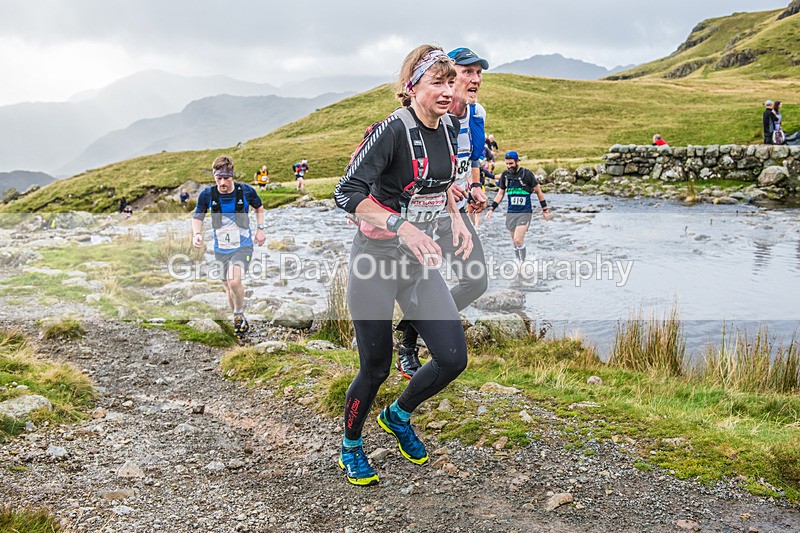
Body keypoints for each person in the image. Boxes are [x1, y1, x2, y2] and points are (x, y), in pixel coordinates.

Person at [333, 44, 473, 486]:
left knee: (452, 359)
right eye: (438, 82)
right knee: (375, 367)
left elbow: (439, 184)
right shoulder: (392, 130)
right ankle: (350, 446)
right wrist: (402, 226)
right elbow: (345, 193)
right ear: (412, 86)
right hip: (375, 263)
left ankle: (398, 415)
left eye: (451, 82)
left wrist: (458, 220)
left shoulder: (450, 126)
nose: (448, 90)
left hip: (417, 267)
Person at [394, 46, 490, 380]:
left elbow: (473, 158)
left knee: (475, 280)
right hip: (424, 216)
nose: (475, 79)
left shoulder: (477, 114)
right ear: (447, 78)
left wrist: (475, 186)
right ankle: (407, 345)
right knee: (422, 281)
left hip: (457, 214)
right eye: (468, 72)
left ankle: (413, 325)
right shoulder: (435, 115)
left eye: (479, 73)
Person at [192, 155, 266, 341]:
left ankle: (239, 314)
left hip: (243, 246)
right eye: (219, 178)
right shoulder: (207, 195)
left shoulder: (246, 191)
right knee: (227, 287)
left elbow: (259, 208)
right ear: (215, 177)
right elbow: (198, 216)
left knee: (234, 282)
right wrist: (197, 233)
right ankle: (237, 316)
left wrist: (260, 229)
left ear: (232, 175)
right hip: (221, 248)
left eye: (226, 178)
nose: (223, 182)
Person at [486, 151, 551, 262]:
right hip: (511, 213)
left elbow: (538, 191)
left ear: (517, 161)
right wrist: (491, 208)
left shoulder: (527, 174)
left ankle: (523, 263)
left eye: (511, 163)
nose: (509, 166)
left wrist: (545, 210)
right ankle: (518, 262)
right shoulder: (505, 176)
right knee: (514, 243)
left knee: (518, 240)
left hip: (525, 212)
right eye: (507, 164)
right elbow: (500, 194)